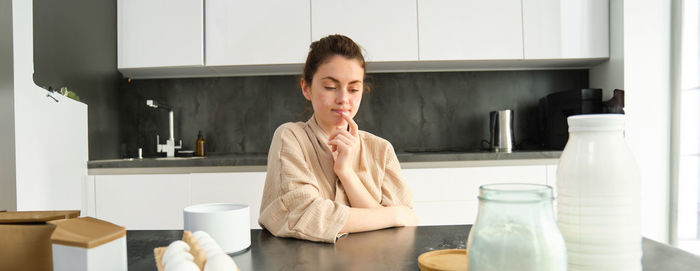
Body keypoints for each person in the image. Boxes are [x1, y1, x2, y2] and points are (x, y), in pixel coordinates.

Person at [258, 34, 417, 243]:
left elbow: (403, 231)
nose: (343, 99)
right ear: (306, 88)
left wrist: (346, 173)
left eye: (353, 89)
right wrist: (393, 215)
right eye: (331, 87)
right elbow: (302, 214)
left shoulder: (381, 149)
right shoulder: (291, 137)